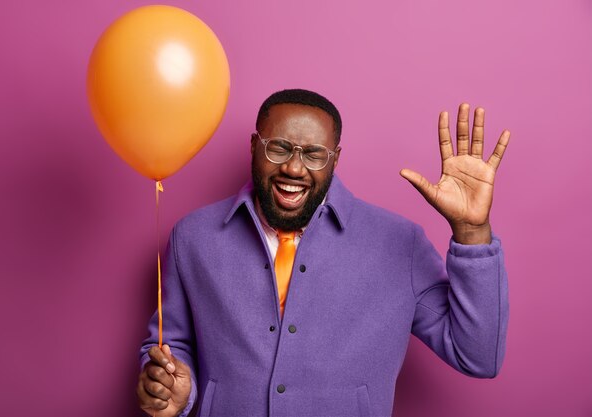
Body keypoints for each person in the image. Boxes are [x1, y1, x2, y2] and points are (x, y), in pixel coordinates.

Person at [136, 89, 510, 417]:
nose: (294, 168)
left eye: (314, 154)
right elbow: (170, 344)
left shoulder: (400, 243)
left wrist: (472, 230)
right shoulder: (193, 237)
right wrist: (175, 392)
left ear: (335, 158)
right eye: (278, 147)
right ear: (254, 145)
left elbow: (476, 355)